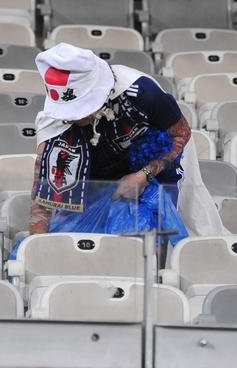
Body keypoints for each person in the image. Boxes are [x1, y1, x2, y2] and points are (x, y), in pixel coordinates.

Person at [27, 43, 224, 240]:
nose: (72, 119)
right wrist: (39, 242)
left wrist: (144, 175)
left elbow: (181, 133)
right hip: (94, 181)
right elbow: (43, 188)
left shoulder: (141, 91)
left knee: (157, 236)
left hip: (153, 167)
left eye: (79, 111)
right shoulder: (53, 121)